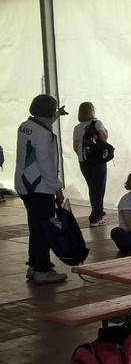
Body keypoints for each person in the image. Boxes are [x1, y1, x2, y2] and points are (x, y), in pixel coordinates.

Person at [15, 95, 69, 284]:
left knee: (35, 228)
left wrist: (57, 113)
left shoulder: (25, 126)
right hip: (40, 187)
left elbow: (42, 123)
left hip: (24, 185)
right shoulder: (44, 135)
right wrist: (57, 188)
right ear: (49, 112)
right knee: (44, 230)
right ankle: (42, 270)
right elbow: (46, 165)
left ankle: (34, 265)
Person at [72, 101, 109, 227]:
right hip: (97, 161)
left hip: (84, 162)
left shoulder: (77, 127)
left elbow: (75, 146)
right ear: (92, 110)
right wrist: (106, 132)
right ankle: (95, 216)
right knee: (100, 188)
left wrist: (83, 157)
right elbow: (104, 138)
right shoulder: (97, 123)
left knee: (92, 188)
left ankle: (98, 212)